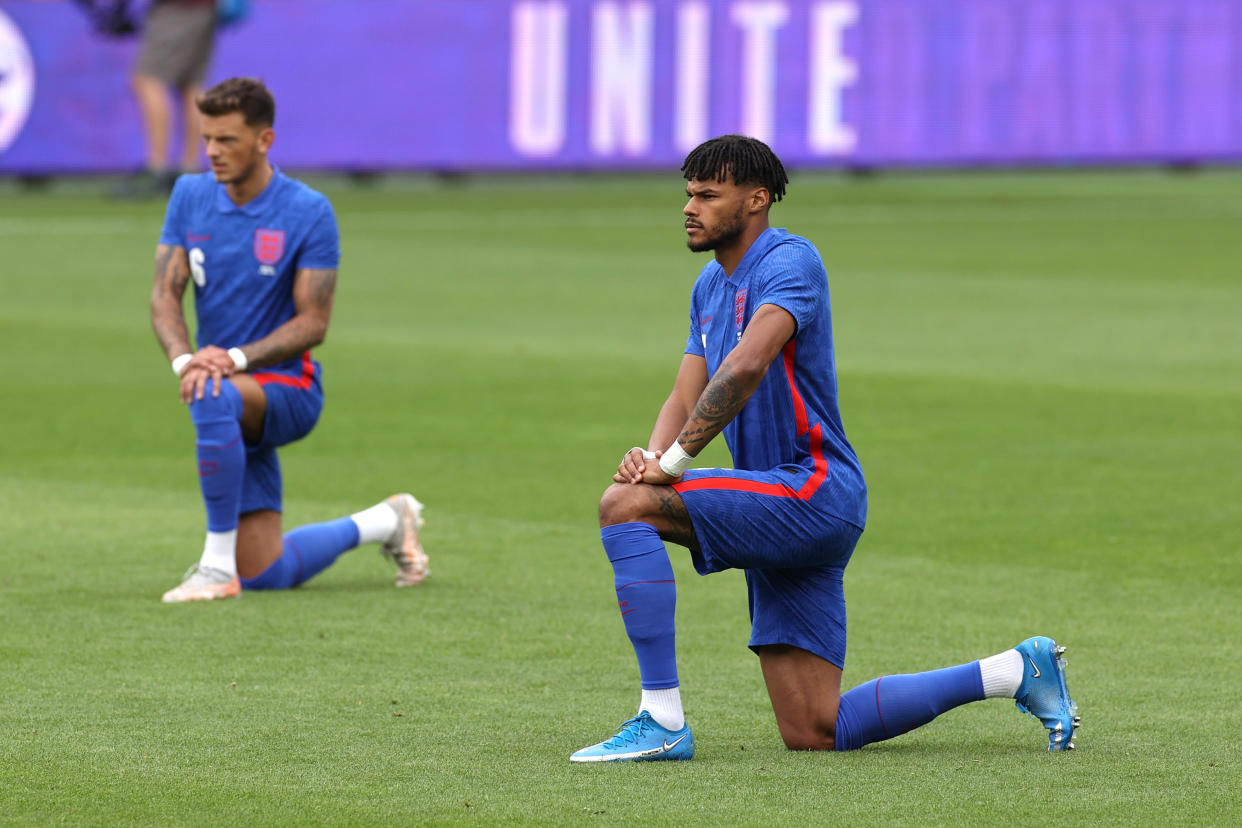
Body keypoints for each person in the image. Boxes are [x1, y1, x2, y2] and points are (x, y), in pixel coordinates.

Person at [570, 135, 1078, 762]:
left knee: (623, 506)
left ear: (756, 200)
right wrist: (651, 458)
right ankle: (1011, 671)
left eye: (707, 195)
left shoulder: (791, 262)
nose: (689, 208)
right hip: (779, 502)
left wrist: (667, 468)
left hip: (811, 488)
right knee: (814, 729)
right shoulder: (709, 284)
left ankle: (661, 718)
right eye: (688, 195)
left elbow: (748, 364)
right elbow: (685, 392)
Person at [149, 77, 430, 602]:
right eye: (208, 138)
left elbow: (312, 324)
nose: (213, 151)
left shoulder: (307, 210)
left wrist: (230, 360)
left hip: (287, 389)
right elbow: (165, 295)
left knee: (212, 394)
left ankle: (212, 568)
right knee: (265, 573)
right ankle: (387, 520)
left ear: (265, 140)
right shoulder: (189, 196)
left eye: (227, 139)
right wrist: (185, 360)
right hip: (223, 392)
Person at [118, 0, 217, 197]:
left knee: (148, 80)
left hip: (178, 8)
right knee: (190, 84)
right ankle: (190, 169)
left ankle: (157, 169)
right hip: (204, 8)